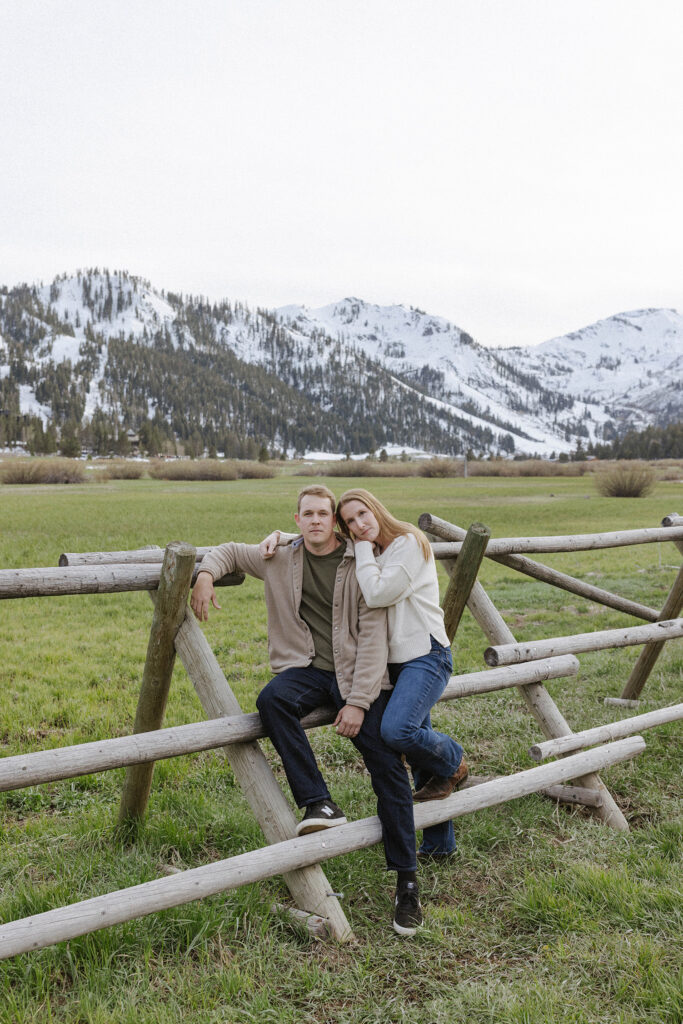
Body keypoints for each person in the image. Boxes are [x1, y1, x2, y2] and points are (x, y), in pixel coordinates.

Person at [191, 484, 423, 936]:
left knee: (387, 766)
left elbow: (375, 639)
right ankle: (319, 802)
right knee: (272, 700)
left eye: (323, 513)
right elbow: (229, 553)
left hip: (358, 676)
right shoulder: (278, 555)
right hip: (307, 671)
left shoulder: (360, 565)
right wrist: (204, 574)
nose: (316, 520)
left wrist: (358, 702)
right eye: (307, 514)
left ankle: (407, 879)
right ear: (296, 520)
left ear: (332, 521)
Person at [260, 487, 467, 860]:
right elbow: (313, 533)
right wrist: (287, 538)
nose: (359, 524)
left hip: (425, 653)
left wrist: (359, 549)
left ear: (377, 509)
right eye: (350, 521)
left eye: (363, 515)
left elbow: (376, 594)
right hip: (394, 660)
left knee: (398, 731)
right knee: (419, 739)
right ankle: (439, 845)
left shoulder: (406, 542)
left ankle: (454, 760)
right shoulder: (372, 548)